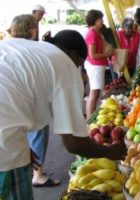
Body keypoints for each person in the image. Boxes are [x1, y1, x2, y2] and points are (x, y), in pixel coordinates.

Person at [0, 28, 126, 200]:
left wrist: (20, 144)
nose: (78, 68)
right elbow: (73, 143)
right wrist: (111, 152)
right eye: (79, 63)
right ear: (73, 55)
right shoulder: (65, 65)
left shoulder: (25, 47)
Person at [8, 14, 60, 187]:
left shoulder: (6, 46)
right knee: (38, 130)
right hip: (28, 100)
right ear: (32, 30)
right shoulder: (35, 49)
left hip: (9, 103)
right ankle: (38, 174)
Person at [84, 9, 114, 119]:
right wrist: (107, 54)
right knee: (94, 94)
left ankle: (91, 118)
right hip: (95, 66)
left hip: (97, 66)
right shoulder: (92, 33)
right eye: (101, 19)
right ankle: (89, 120)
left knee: (96, 93)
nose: (102, 21)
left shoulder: (97, 33)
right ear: (95, 20)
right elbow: (93, 55)